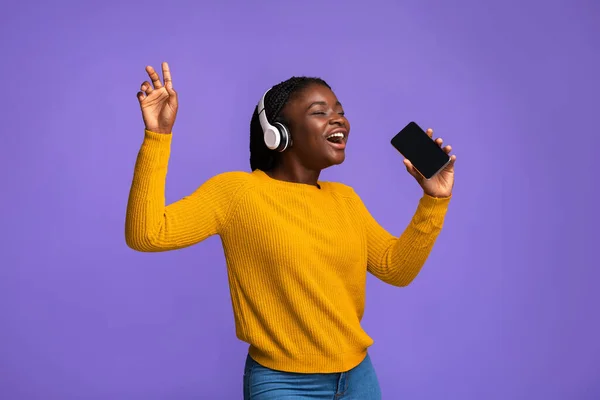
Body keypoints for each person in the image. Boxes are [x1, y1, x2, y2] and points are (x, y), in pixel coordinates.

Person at [125, 62, 456, 399]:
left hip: (358, 378)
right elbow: (148, 233)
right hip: (282, 384)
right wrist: (158, 137)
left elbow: (395, 268)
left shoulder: (345, 199)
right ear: (278, 133)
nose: (338, 119)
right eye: (320, 112)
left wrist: (434, 200)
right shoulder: (238, 193)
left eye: (339, 111)